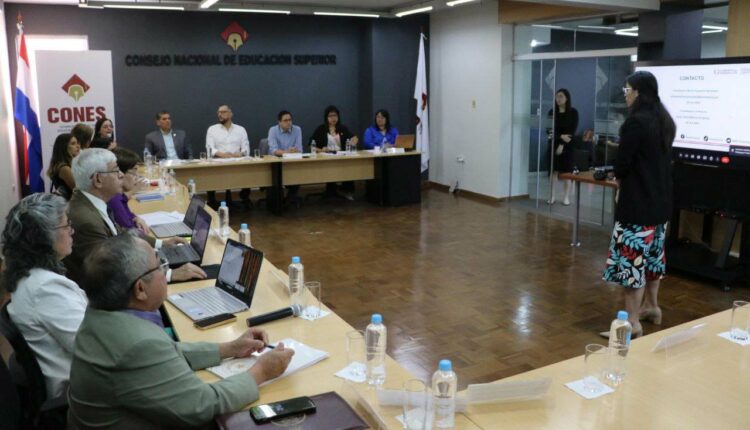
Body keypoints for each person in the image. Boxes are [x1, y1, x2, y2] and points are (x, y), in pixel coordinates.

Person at [67, 234, 295, 429]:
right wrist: (261, 371)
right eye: (160, 266)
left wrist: (229, 348)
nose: (166, 270)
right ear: (140, 289)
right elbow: (203, 406)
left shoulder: (103, 314)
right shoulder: (137, 345)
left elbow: (169, 351)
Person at [602, 71, 675, 338]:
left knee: (632, 265)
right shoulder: (664, 121)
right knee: (653, 261)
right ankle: (652, 307)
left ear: (639, 93)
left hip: (637, 205)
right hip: (660, 206)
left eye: (628, 89)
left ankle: (632, 322)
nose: (626, 94)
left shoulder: (636, 123)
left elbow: (623, 164)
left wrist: (617, 175)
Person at [62, 148, 205, 285]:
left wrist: (162, 244)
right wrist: (169, 274)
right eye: (116, 170)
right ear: (98, 179)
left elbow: (123, 235)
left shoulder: (92, 202)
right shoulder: (86, 220)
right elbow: (111, 271)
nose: (121, 175)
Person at [2, 193, 86, 407]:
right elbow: (92, 347)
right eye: (66, 225)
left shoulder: (28, 275)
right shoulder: (45, 289)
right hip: (76, 395)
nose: (72, 231)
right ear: (44, 237)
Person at [205, 105, 251, 209]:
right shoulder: (212, 129)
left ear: (230, 114)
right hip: (218, 162)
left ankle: (245, 198)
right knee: (209, 172)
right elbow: (209, 148)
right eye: (218, 113)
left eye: (223, 112)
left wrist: (236, 154)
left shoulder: (241, 130)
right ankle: (212, 201)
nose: (220, 115)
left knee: (249, 171)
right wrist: (223, 155)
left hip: (237, 162)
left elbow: (246, 149)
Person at [309, 105, 358, 199]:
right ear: (326, 117)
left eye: (335, 115)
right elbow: (311, 145)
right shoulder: (321, 129)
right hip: (325, 158)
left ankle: (347, 191)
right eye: (330, 116)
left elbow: (354, 137)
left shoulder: (342, 128)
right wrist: (321, 150)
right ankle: (331, 190)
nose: (333, 118)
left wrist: (355, 140)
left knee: (350, 165)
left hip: (341, 157)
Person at [547, 89, 578, 206]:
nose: (558, 99)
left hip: (568, 146)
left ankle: (566, 197)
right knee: (553, 172)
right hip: (553, 144)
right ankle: (552, 196)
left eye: (560, 96)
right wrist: (560, 137)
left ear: (567, 98)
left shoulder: (573, 112)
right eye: (557, 97)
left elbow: (571, 132)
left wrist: (561, 145)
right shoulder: (552, 112)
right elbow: (549, 130)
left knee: (567, 173)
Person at [107, 147, 149, 234]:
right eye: (134, 172)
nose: (137, 176)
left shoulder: (118, 196)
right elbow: (130, 232)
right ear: (120, 173)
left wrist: (135, 218)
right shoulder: (114, 199)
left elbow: (128, 215)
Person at [268, 110, 303, 202]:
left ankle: (289, 199)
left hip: (292, 162)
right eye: (285, 120)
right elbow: (274, 150)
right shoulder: (273, 130)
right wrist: (288, 152)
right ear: (279, 122)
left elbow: (299, 149)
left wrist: (295, 150)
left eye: (290, 120)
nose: (288, 122)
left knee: (299, 173)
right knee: (277, 179)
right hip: (276, 163)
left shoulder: (297, 129)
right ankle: (279, 201)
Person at [47, 133, 80, 200]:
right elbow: (79, 189)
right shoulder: (64, 168)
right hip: (69, 205)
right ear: (64, 147)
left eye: (77, 143)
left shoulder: (67, 164)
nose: (78, 146)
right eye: (73, 144)